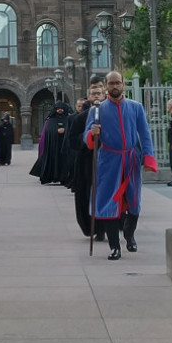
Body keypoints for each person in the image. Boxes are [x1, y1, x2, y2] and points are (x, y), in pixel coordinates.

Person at [84, 71, 157, 260]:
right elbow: (87, 138)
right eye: (111, 83)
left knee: (134, 202)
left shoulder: (136, 107)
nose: (115, 86)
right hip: (108, 160)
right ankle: (114, 247)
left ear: (123, 84)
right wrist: (92, 133)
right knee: (109, 203)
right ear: (106, 86)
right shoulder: (96, 110)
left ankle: (129, 234)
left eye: (118, 83)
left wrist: (148, 157)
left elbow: (145, 134)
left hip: (131, 159)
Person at [69, 80, 105, 241]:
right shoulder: (79, 119)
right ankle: (93, 226)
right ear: (88, 97)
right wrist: (88, 138)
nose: (96, 96)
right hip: (86, 162)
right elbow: (72, 141)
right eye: (93, 93)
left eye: (99, 93)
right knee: (88, 194)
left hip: (107, 160)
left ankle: (108, 225)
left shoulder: (110, 115)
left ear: (104, 95)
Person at [31, 102, 69, 183]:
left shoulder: (68, 119)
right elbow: (48, 131)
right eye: (58, 108)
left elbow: (71, 129)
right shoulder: (50, 120)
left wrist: (65, 130)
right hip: (53, 144)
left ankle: (63, 178)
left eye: (61, 108)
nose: (60, 110)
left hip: (64, 144)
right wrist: (56, 131)